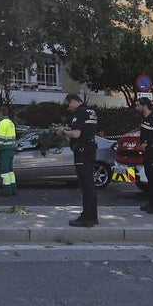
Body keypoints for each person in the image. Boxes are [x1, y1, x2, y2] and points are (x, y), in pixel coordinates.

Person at [65, 93, 99, 226]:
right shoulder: (91, 111)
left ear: (73, 101)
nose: (69, 108)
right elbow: (86, 130)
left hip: (82, 151)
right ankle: (93, 215)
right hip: (90, 150)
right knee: (90, 184)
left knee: (85, 185)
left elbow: (76, 134)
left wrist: (64, 131)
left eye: (68, 104)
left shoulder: (79, 112)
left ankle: (87, 218)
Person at [0, 104, 18, 197]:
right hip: (11, 148)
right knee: (10, 170)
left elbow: (0, 138)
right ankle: (13, 189)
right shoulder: (10, 122)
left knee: (4, 171)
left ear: (0, 113)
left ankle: (7, 190)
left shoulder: (2, 123)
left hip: (5, 150)